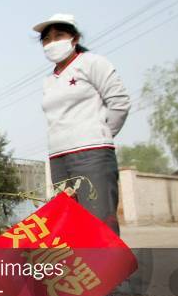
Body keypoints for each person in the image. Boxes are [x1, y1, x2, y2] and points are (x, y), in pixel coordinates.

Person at [34, 14, 131, 235]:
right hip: (59, 159)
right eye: (46, 39)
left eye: (59, 35)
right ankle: (81, 271)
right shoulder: (49, 81)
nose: (52, 43)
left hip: (92, 154)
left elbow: (120, 102)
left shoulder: (92, 63)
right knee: (72, 228)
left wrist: (100, 135)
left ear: (74, 38)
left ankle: (110, 270)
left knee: (99, 223)